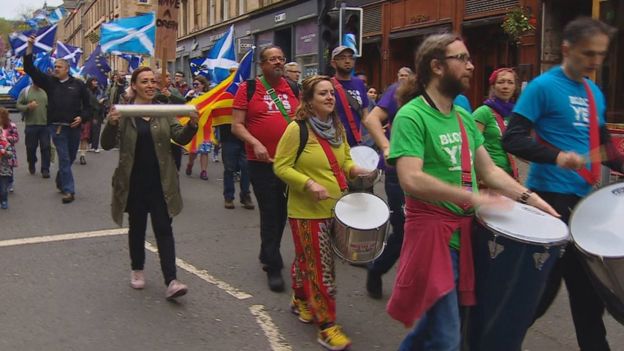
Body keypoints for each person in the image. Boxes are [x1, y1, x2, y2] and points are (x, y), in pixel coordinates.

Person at [385, 33, 557, 351]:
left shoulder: (463, 117)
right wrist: (475, 197)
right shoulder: (412, 116)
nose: (471, 65)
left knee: (434, 330)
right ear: (437, 66)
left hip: (466, 235)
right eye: (462, 59)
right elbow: (411, 179)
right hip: (432, 236)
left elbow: (489, 170)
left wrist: (532, 200)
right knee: (448, 337)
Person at [502, 17, 624, 351]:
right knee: (540, 294)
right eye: (588, 53)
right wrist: (557, 156)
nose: (596, 61)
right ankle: (491, 339)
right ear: (567, 49)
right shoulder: (543, 87)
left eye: (601, 54)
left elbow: (604, 145)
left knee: (589, 297)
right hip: (549, 203)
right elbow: (511, 138)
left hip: (584, 206)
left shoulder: (593, 91)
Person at [274, 75, 374, 350]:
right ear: (308, 100)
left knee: (307, 258)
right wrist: (308, 183)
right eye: (322, 94)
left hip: (336, 207)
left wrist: (358, 170)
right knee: (321, 269)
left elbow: (346, 161)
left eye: (331, 93)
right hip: (306, 211)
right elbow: (281, 166)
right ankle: (327, 325)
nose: (330, 97)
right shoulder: (297, 129)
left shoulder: (336, 127)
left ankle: (300, 298)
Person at [101, 66, 199, 300]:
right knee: (137, 228)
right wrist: (112, 123)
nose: (150, 85)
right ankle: (137, 268)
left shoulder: (163, 111)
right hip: (133, 181)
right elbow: (105, 144)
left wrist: (192, 125)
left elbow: (180, 137)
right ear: (134, 86)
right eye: (144, 81)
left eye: (153, 81)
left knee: (164, 229)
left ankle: (172, 280)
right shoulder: (124, 113)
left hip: (161, 181)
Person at [232, 45, 300, 292]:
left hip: (289, 163)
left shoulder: (293, 88)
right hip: (261, 164)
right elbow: (237, 125)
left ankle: (266, 251)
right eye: (272, 59)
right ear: (262, 65)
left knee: (282, 213)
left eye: (281, 59)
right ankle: (273, 265)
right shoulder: (248, 89)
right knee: (270, 213)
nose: (278, 63)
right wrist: (256, 143)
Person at [362, 66, 414, 299]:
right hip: (399, 172)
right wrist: (386, 146)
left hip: (432, 174)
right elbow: (372, 119)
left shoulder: (452, 97)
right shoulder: (400, 90)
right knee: (404, 230)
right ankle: (377, 268)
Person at [24, 35, 91, 204]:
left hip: (74, 127)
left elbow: (90, 107)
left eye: (59, 66)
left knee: (70, 156)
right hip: (57, 128)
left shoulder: (78, 85)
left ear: (67, 69)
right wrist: (30, 47)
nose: (56, 69)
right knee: (64, 158)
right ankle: (70, 191)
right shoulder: (49, 82)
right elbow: (30, 69)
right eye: (55, 66)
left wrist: (81, 117)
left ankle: (61, 181)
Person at [473, 68, 520, 177]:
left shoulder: (514, 113)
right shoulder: (483, 112)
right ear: (493, 86)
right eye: (501, 82)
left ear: (515, 87)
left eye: (510, 82)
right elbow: (471, 145)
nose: (505, 86)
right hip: (489, 176)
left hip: (509, 175)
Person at [330, 46, 369, 147]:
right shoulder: (327, 85)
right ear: (333, 63)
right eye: (342, 58)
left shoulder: (359, 83)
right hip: (334, 142)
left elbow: (365, 115)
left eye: (351, 57)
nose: (347, 61)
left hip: (356, 142)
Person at [16, 82, 50, 178]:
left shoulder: (46, 90)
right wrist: (28, 106)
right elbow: (18, 105)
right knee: (31, 148)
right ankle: (31, 162)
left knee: (46, 147)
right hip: (31, 125)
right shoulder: (26, 91)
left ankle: (45, 169)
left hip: (45, 125)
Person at [184, 76, 212, 180]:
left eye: (197, 84)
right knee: (193, 150)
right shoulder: (191, 94)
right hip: (194, 125)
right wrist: (189, 98)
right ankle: (190, 164)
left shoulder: (208, 96)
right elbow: (185, 106)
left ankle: (203, 171)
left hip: (205, 126)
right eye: (194, 84)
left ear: (203, 85)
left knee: (205, 150)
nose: (195, 86)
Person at [0, 108, 17, 209]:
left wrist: (8, 139)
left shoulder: (11, 126)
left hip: (5, 165)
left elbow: (15, 137)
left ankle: (4, 199)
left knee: (3, 187)